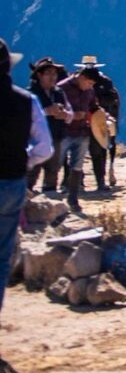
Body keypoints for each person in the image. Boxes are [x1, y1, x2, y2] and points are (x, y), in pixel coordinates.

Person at [1, 39, 53, 316]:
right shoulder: (26, 101)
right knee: (2, 254)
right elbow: (44, 148)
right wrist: (24, 160)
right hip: (11, 182)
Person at [59, 64, 101, 212]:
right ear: (81, 77)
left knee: (77, 166)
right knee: (55, 164)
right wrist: (70, 115)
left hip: (82, 133)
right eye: (88, 83)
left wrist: (104, 117)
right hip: (64, 133)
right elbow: (55, 109)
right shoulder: (62, 88)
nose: (90, 86)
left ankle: (73, 199)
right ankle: (51, 198)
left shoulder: (89, 91)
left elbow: (93, 107)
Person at [28, 59, 71, 194]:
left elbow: (70, 113)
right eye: (48, 73)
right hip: (34, 139)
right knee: (32, 169)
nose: (53, 77)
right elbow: (23, 116)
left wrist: (65, 115)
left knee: (53, 168)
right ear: (39, 75)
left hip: (55, 136)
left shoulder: (59, 93)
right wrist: (47, 111)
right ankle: (26, 194)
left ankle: (50, 193)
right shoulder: (30, 94)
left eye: (54, 73)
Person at [82, 57, 120, 193]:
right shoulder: (79, 80)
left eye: (91, 65)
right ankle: (79, 180)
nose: (89, 67)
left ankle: (102, 177)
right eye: (87, 65)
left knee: (102, 147)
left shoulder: (105, 81)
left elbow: (112, 98)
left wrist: (99, 103)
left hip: (101, 118)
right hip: (83, 118)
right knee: (79, 148)